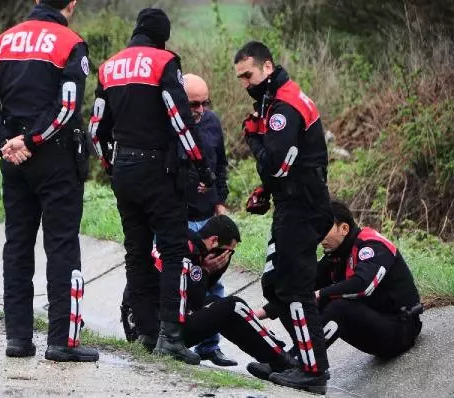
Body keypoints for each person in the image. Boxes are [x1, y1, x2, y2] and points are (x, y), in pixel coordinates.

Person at [0, 0, 98, 362]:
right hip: (54, 157)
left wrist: (4, 142)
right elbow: (68, 106)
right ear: (71, 4)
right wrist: (32, 140)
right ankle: (62, 341)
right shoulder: (70, 42)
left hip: (13, 156)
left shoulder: (1, 42)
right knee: (61, 247)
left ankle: (17, 338)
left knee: (17, 245)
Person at [89, 8, 215, 365]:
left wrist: (113, 166)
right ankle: (170, 337)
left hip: (124, 170)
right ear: (163, 36)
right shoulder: (164, 62)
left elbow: (96, 129)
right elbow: (178, 119)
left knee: (137, 253)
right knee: (174, 251)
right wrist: (201, 168)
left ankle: (145, 332)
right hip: (159, 169)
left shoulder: (109, 66)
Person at [234, 41, 333, 394]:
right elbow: (282, 166)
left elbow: (276, 161)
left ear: (267, 68)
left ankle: (313, 370)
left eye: (248, 74)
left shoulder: (284, 106)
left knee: (294, 288)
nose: (244, 82)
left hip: (303, 207)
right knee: (275, 282)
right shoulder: (273, 100)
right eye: (240, 77)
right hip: (292, 201)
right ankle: (297, 359)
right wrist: (266, 190)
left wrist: (253, 139)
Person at [249, 200, 424, 381]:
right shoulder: (336, 255)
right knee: (302, 299)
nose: (319, 237)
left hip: (400, 332)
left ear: (344, 229)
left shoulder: (372, 245)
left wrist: (320, 294)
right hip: (375, 328)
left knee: (337, 305)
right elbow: (302, 289)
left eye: (324, 230)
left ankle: (300, 366)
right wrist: (258, 314)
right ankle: (285, 361)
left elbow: (363, 285)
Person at [121, 215, 298, 373]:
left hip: (140, 329)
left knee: (216, 302)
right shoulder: (189, 251)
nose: (227, 258)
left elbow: (189, 295)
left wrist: (205, 273)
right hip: (157, 335)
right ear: (214, 241)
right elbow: (195, 301)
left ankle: (273, 355)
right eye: (228, 251)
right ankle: (282, 361)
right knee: (233, 305)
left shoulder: (180, 242)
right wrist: (205, 270)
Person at [181, 73, 234, 366]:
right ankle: (176, 339)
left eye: (204, 103)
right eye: (193, 104)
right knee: (185, 283)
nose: (200, 110)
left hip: (207, 218)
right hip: (178, 220)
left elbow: (221, 166)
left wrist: (221, 203)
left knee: (214, 282)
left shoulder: (212, 122)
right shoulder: (168, 126)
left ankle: (210, 346)